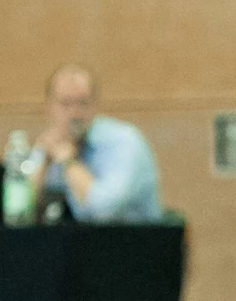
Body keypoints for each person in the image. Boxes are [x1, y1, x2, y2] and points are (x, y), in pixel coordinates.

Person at [28, 64, 161, 224]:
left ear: (96, 105)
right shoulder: (52, 144)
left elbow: (103, 212)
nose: (74, 114)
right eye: (65, 104)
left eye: (82, 103)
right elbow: (18, 209)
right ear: (48, 108)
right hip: (79, 238)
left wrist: (69, 162)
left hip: (133, 237)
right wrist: (43, 163)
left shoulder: (125, 142)